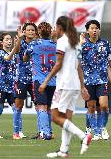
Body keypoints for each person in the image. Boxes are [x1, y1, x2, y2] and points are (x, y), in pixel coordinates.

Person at [39, 16, 92, 158]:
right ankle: (64, 151)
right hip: (74, 85)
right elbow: (79, 67)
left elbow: (58, 64)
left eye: (56, 27)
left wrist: (45, 81)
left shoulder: (62, 41)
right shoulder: (76, 43)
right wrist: (82, 86)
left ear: (60, 28)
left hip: (64, 85)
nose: (54, 30)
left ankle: (83, 136)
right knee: (66, 119)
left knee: (55, 117)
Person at [80, 20, 111, 141]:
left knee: (104, 106)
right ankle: (94, 131)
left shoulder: (105, 44)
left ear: (99, 30)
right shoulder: (83, 45)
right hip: (88, 81)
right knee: (91, 107)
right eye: (92, 28)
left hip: (102, 81)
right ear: (87, 31)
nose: (94, 30)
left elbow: (110, 62)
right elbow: (77, 63)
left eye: (97, 28)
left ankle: (102, 128)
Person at [23, 22, 56, 140]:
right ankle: (49, 132)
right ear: (51, 31)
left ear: (39, 32)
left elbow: (25, 58)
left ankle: (44, 133)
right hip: (52, 81)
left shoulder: (34, 44)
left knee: (41, 106)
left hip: (39, 80)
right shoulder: (55, 45)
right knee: (48, 107)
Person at [13, 22, 37, 139]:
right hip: (21, 78)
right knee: (18, 105)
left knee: (39, 105)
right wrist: (19, 39)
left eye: (33, 30)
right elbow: (16, 51)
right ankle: (16, 132)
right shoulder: (21, 43)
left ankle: (41, 132)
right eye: (28, 30)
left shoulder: (39, 44)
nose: (31, 32)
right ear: (24, 32)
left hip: (35, 79)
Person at [0, 32, 19, 139]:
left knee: (16, 109)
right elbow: (7, 58)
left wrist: (18, 45)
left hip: (11, 87)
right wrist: (16, 47)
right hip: (1, 86)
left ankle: (17, 132)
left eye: (10, 39)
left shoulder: (14, 55)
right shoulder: (0, 53)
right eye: (7, 39)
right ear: (1, 42)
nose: (9, 41)